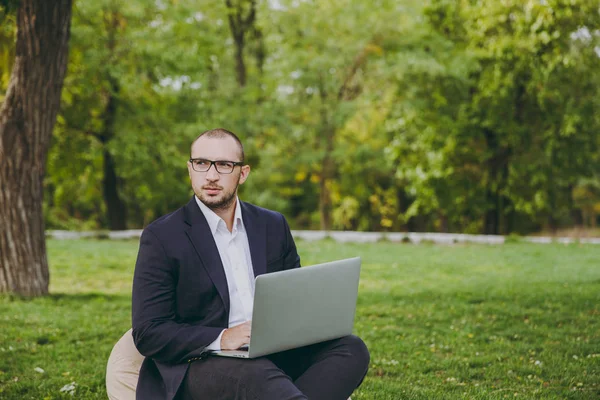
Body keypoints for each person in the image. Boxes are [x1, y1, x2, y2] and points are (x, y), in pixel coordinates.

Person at [131, 128, 370, 400]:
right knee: (256, 375)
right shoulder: (162, 236)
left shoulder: (272, 225)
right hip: (200, 363)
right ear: (190, 169)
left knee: (351, 348)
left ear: (242, 173)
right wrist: (224, 337)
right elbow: (148, 333)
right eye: (201, 164)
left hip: (271, 352)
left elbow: (291, 300)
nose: (210, 175)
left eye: (223, 165)